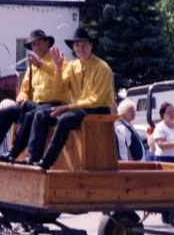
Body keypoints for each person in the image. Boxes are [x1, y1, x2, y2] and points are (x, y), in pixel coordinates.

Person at [0, 30, 71, 161]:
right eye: (34, 44)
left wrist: (40, 65)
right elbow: (25, 89)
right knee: (6, 111)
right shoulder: (32, 66)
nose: (37, 46)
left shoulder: (58, 59)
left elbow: (62, 77)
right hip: (34, 105)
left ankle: (12, 153)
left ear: (47, 43)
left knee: (30, 116)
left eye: (40, 42)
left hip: (53, 106)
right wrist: (21, 97)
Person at [26, 27, 114, 170]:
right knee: (41, 115)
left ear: (91, 45)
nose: (81, 48)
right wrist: (58, 68)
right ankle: (32, 158)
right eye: (77, 45)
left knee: (64, 119)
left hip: (98, 110)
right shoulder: (73, 65)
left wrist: (67, 108)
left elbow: (95, 100)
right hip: (79, 109)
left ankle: (46, 162)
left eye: (84, 44)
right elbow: (59, 89)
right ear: (73, 47)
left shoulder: (103, 68)